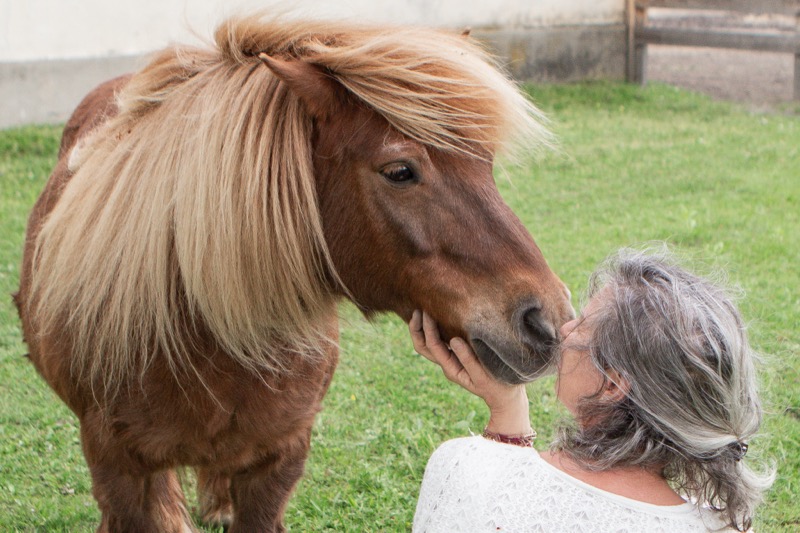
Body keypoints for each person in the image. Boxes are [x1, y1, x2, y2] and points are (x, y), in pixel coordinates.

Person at [409, 248, 773, 532]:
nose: (564, 331)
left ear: (612, 384)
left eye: (582, 326)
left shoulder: (466, 468)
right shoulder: (725, 526)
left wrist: (505, 427)